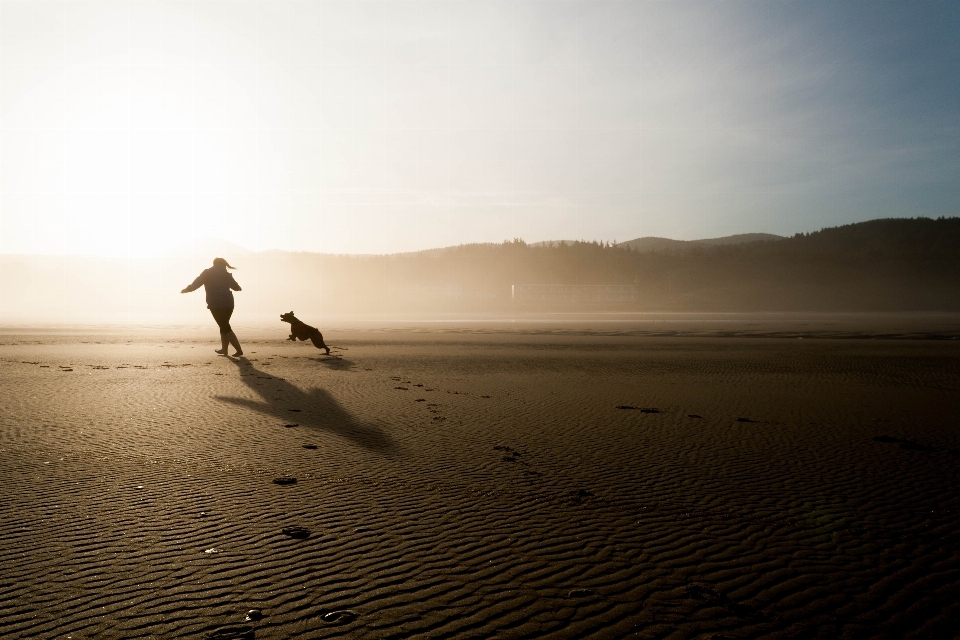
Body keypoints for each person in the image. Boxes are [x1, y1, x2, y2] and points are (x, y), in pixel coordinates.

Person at [181, 257, 244, 356]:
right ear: (224, 265)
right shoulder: (226, 274)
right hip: (229, 304)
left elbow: (196, 284)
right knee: (223, 325)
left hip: (215, 303)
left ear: (214, 264)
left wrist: (186, 290)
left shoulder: (207, 272)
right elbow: (237, 288)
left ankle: (239, 350)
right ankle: (224, 349)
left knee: (225, 326)